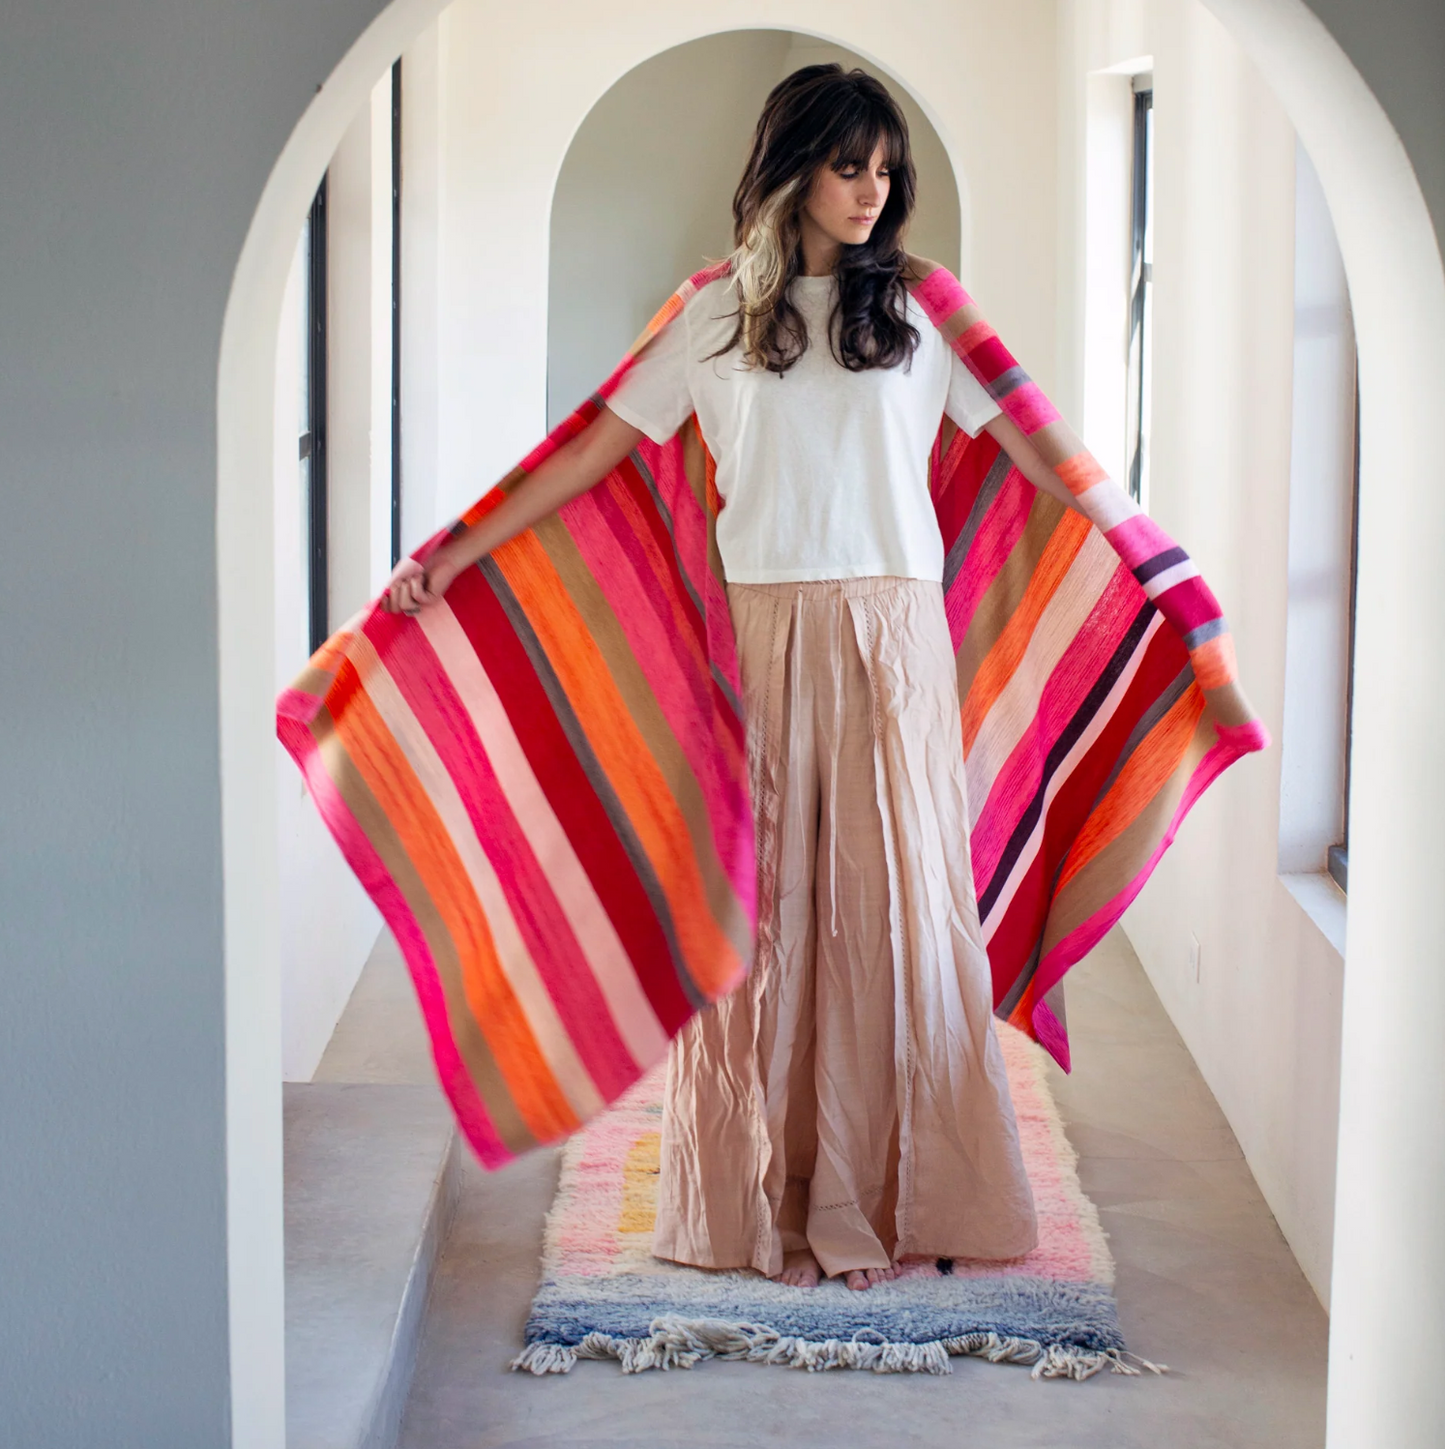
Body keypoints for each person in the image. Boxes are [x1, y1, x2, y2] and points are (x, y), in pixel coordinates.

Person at [383, 65, 1085, 1291]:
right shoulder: (709, 317)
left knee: (892, 911)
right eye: (847, 164)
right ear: (793, 164)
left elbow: (1041, 447)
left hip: (892, 638)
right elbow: (588, 447)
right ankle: (767, 1196)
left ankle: (892, 1195)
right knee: (765, 925)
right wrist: (453, 547)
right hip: (758, 641)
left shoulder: (927, 314)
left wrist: (1137, 547)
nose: (870, 191)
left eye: (884, 169)